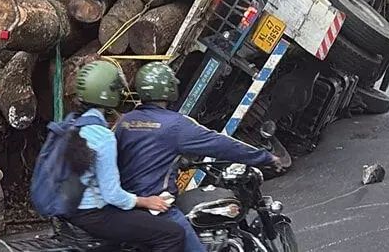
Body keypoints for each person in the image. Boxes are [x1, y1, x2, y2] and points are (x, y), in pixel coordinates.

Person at [115, 62, 280, 252]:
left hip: (126, 209)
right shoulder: (176, 125)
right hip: (157, 209)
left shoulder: (125, 122)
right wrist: (266, 158)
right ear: (169, 88)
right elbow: (222, 145)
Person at [65, 60, 186, 252]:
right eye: (117, 89)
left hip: (69, 207)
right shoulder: (103, 137)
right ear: (108, 93)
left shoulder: (72, 124)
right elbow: (112, 195)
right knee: (173, 234)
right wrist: (145, 201)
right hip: (92, 212)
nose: (121, 93)